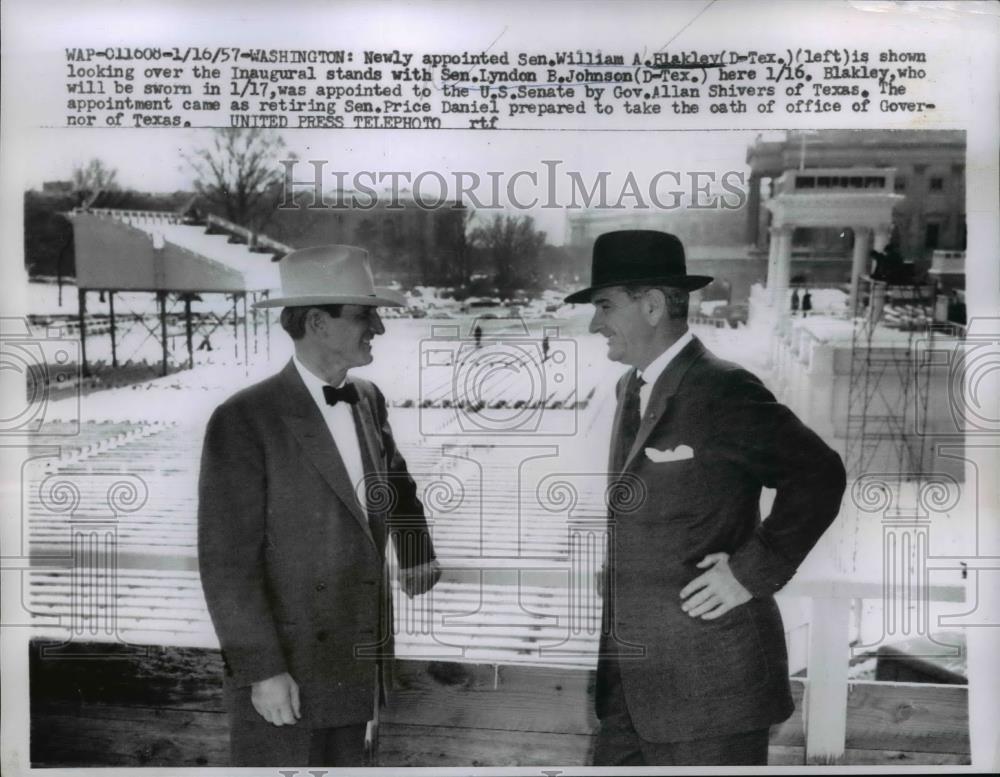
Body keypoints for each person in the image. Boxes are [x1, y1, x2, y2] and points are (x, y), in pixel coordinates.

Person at [564, 230, 846, 766]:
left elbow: (819, 474)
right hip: (631, 690)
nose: (594, 323)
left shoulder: (723, 390)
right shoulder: (632, 387)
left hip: (711, 696)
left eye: (604, 306)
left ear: (651, 306)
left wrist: (749, 573)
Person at [198, 245, 441, 767]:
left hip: (357, 662)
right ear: (316, 322)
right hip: (288, 673)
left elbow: (395, 482)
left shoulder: (368, 398)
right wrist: (262, 671)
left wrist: (417, 548)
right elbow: (226, 564)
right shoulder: (244, 418)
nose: (377, 326)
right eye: (364, 314)